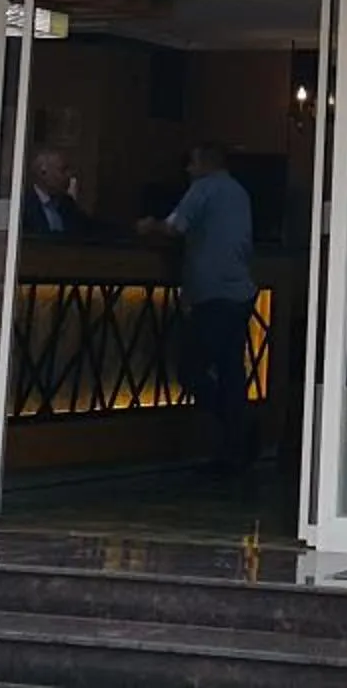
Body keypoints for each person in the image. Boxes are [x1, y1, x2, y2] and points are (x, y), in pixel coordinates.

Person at [138, 143, 256, 476]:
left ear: (204, 163)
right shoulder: (238, 192)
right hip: (240, 293)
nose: (187, 170)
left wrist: (148, 226)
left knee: (191, 370)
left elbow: (175, 227)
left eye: (191, 163)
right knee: (231, 370)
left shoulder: (203, 189)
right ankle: (237, 445)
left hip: (212, 294)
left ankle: (240, 431)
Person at [23, 147, 92, 238]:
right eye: (63, 170)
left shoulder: (68, 204)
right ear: (43, 173)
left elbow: (88, 229)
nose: (69, 175)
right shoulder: (23, 205)